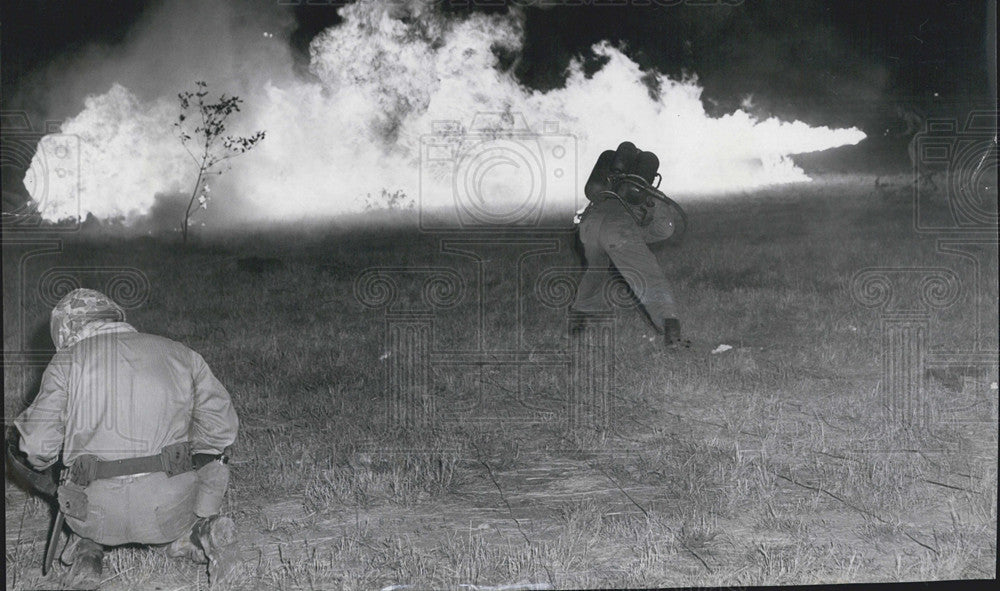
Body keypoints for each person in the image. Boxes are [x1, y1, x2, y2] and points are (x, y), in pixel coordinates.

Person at [13, 288, 240, 589]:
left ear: (66, 331)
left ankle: (87, 552)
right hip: (170, 505)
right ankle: (202, 531)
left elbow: (37, 447)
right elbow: (221, 430)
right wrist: (180, 455)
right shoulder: (181, 353)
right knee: (215, 460)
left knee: (83, 506)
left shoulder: (65, 363)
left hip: (95, 511)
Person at [570, 143, 685, 347]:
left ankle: (578, 323)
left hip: (588, 229)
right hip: (618, 232)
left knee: (595, 269)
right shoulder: (643, 193)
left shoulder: (607, 185)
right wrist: (641, 234)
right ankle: (671, 331)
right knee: (650, 277)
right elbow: (665, 229)